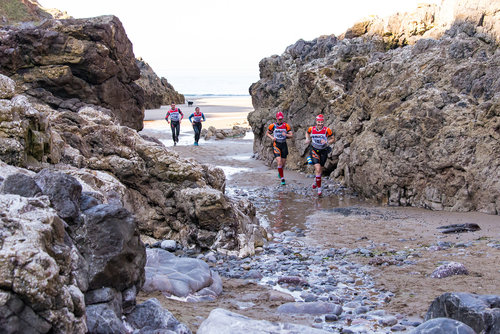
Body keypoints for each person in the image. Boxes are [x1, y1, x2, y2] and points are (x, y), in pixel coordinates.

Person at [305, 114, 335, 196]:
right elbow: (307, 133)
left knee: (320, 170)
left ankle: (315, 181)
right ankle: (319, 189)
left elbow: (333, 139)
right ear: (316, 121)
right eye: (318, 122)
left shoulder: (327, 130)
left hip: (323, 151)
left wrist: (327, 142)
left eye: (321, 122)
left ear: (323, 122)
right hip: (314, 150)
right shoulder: (312, 129)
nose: (320, 124)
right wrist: (307, 139)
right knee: (317, 169)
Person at [266, 111, 293, 185]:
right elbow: (267, 133)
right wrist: (272, 138)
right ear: (276, 118)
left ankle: (280, 172)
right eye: (279, 119)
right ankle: (282, 179)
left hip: (283, 144)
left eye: (281, 119)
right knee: (279, 162)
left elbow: (291, 135)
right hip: (276, 145)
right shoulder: (273, 126)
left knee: (283, 164)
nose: (280, 120)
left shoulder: (286, 125)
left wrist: (286, 134)